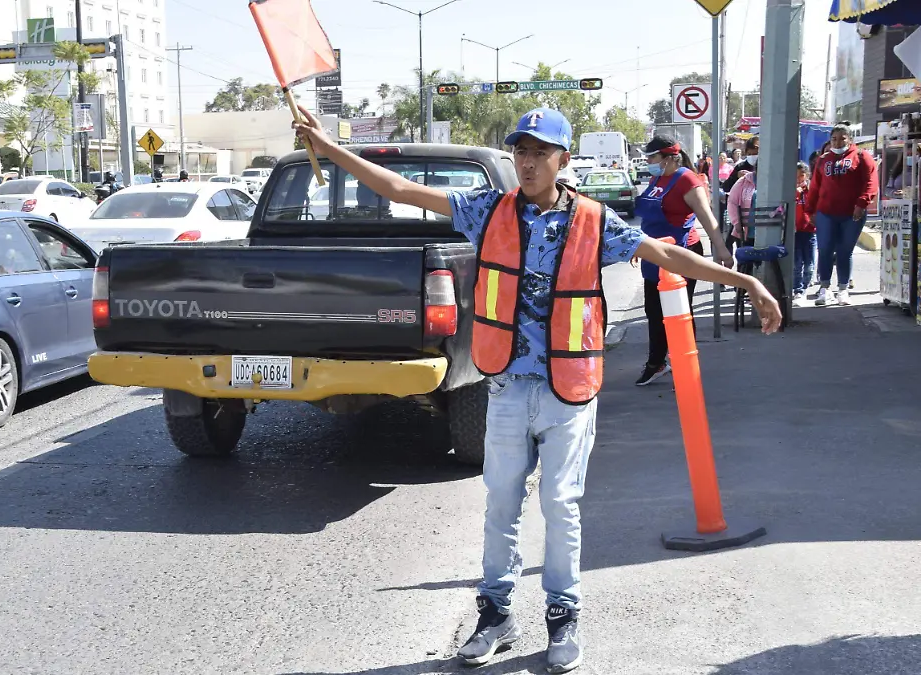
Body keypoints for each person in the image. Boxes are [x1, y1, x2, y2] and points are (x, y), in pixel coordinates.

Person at [291, 106, 780, 673]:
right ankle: (496, 614)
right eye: (520, 152)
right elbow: (399, 187)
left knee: (560, 505)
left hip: (567, 391)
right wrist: (329, 148)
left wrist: (744, 279)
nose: (526, 162)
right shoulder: (487, 210)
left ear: (562, 160)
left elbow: (666, 253)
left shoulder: (595, 222)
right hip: (506, 388)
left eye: (538, 152)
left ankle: (563, 615)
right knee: (501, 504)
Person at [634, 136, 734, 387]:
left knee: (678, 313)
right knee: (654, 312)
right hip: (654, 254)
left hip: (681, 253)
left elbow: (707, 218)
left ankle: (684, 364)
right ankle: (658, 363)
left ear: (669, 158)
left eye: (652, 157)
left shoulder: (687, 179)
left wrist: (721, 249)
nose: (648, 162)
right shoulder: (657, 178)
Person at [805, 122, 878, 306]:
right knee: (825, 250)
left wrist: (862, 203)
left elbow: (871, 182)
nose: (837, 143)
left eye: (842, 139)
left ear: (850, 139)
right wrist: (810, 209)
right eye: (834, 139)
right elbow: (814, 187)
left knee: (845, 251)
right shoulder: (823, 160)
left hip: (851, 214)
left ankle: (843, 289)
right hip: (826, 213)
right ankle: (824, 289)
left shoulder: (862, 156)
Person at [793, 162, 816, 302]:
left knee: (810, 264)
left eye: (801, 175)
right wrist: (796, 192)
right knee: (797, 264)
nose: (799, 179)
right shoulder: (791, 190)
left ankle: (806, 286)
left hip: (810, 230)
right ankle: (798, 289)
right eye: (796, 176)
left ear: (807, 176)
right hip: (795, 232)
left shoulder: (812, 190)